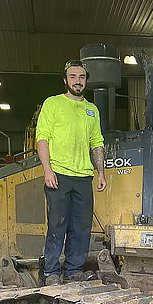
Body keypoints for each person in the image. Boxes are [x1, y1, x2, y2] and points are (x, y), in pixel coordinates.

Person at [36, 60, 106, 285]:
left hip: (83, 176)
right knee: (57, 224)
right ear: (65, 80)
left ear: (86, 80)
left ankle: (75, 270)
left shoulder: (92, 110)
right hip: (58, 175)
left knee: (81, 227)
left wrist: (101, 173)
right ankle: (51, 272)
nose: (78, 81)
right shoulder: (53, 104)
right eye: (73, 76)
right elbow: (42, 138)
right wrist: (48, 170)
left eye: (82, 77)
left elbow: (97, 142)